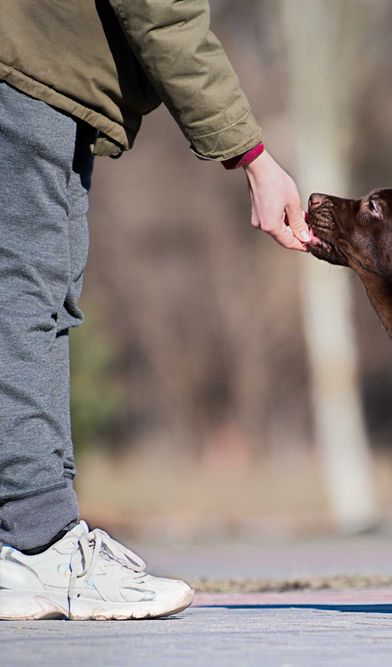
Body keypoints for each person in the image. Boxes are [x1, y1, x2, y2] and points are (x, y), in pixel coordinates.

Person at [0, 2, 310, 620]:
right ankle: (38, 543)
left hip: (44, 74)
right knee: (24, 299)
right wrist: (253, 157)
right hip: (29, 73)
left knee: (46, 300)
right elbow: (163, 14)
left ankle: (35, 535)